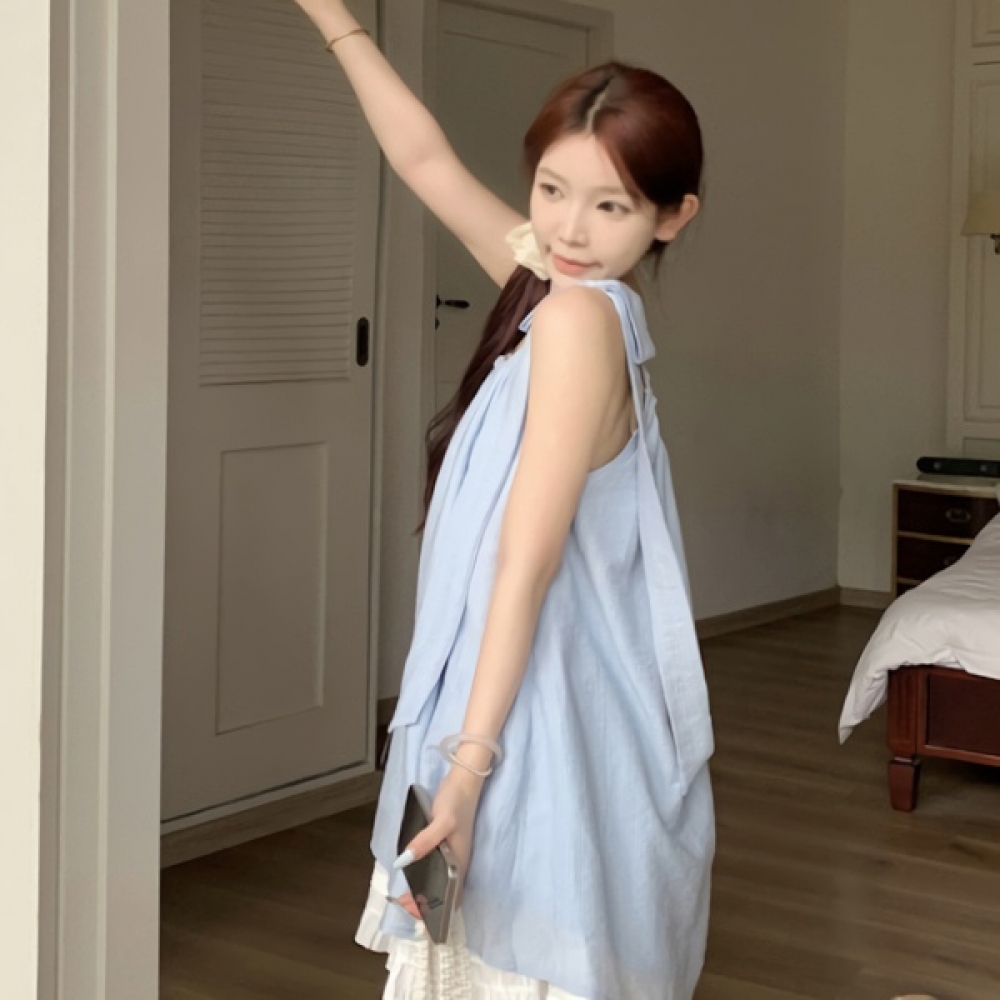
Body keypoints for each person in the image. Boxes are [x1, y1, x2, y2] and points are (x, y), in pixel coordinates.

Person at [291, 3, 716, 997]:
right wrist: (332, 16)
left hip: (524, 711)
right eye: (551, 189)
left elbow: (526, 561)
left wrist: (467, 765)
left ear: (671, 216)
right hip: (531, 690)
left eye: (609, 206)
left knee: (496, 956)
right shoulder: (563, 292)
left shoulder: (574, 321)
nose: (568, 227)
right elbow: (425, 161)